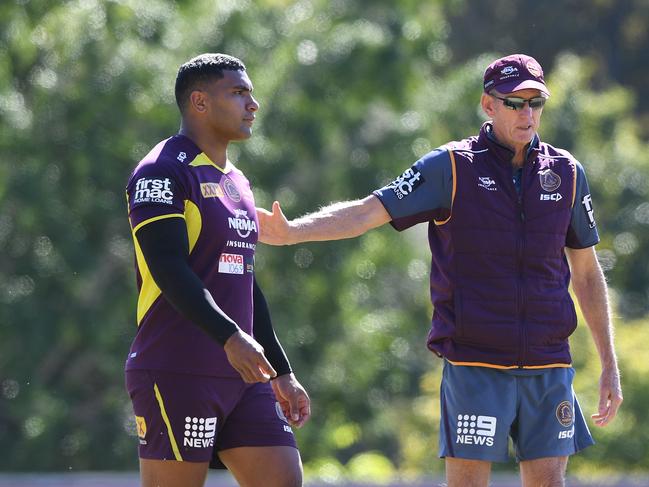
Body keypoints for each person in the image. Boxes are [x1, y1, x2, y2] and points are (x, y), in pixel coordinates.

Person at [257, 54, 622, 487]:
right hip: (475, 362)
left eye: (535, 102)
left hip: (549, 363)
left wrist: (609, 363)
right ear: (488, 105)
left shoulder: (567, 173)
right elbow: (368, 212)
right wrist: (293, 232)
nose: (527, 113)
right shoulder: (450, 167)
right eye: (514, 102)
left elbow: (585, 273)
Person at [124, 53, 310, 487]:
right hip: (177, 368)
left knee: (283, 479)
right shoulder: (161, 171)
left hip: (243, 375)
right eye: (239, 92)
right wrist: (230, 338)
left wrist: (282, 371)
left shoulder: (237, 182)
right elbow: (168, 268)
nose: (253, 104)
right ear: (200, 103)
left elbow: (244, 280)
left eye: (251, 92)